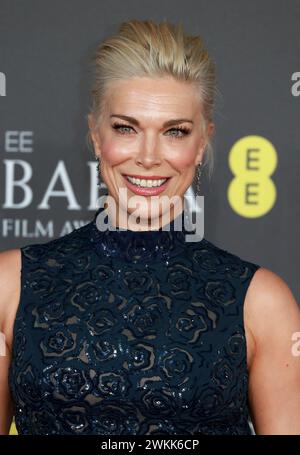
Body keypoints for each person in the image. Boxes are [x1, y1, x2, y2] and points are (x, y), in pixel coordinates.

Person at [1, 19, 300, 436]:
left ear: (201, 145)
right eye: (126, 128)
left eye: (174, 132)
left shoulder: (261, 302)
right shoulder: (11, 284)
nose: (148, 156)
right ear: (94, 134)